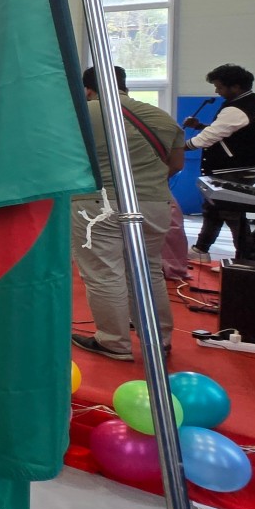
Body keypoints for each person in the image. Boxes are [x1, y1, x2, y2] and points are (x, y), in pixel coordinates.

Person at [72, 65, 186, 361]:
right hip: (154, 203)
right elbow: (176, 164)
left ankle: (114, 342)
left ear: (87, 89)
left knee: (104, 272)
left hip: (98, 204)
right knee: (148, 270)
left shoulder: (83, 113)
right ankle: (158, 340)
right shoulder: (162, 117)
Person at [182, 63, 255, 261]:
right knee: (214, 209)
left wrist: (179, 147)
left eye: (220, 87)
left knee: (232, 213)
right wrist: (200, 126)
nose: (217, 91)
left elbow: (208, 138)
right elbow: (233, 132)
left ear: (236, 87)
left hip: (232, 170)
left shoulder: (237, 108)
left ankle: (246, 258)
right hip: (243, 167)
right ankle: (201, 250)